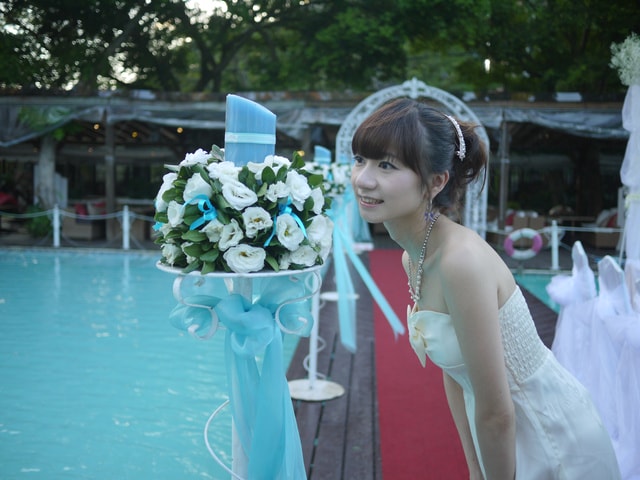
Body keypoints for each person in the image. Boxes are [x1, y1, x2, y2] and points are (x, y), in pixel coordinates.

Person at [350, 98, 621, 480]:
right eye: (360, 159)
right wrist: (474, 466)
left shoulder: (461, 261)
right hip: (498, 431)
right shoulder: (414, 257)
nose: (363, 178)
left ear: (436, 182)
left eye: (387, 165)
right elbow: (454, 370)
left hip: (549, 435)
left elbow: (497, 411)